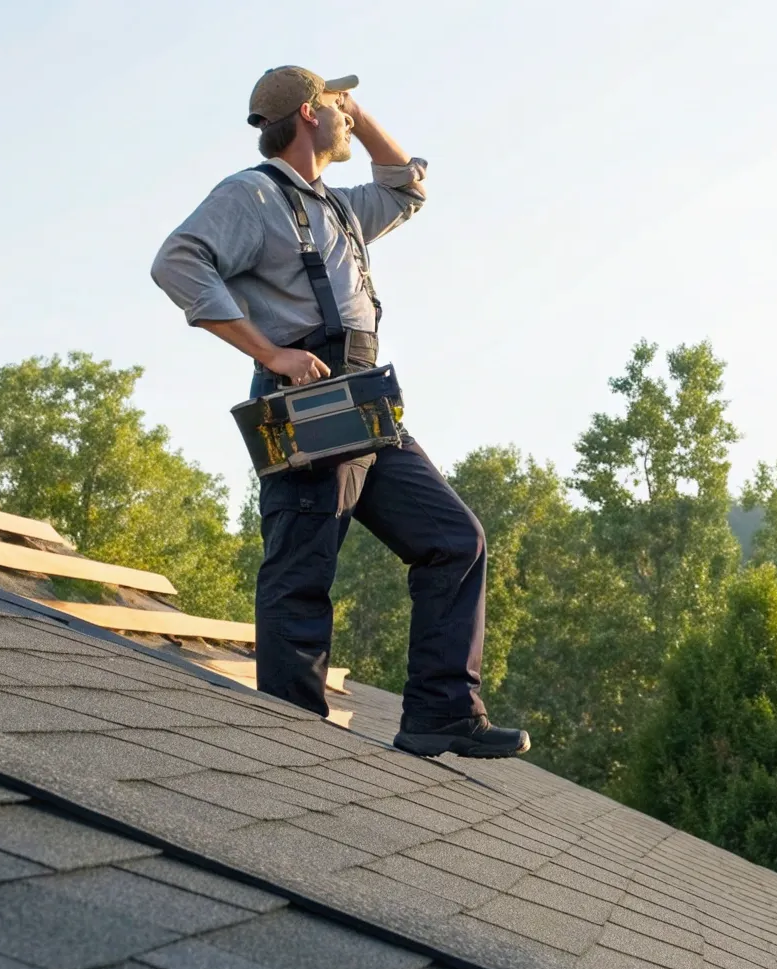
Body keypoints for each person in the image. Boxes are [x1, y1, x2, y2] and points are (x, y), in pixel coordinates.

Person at [151, 66, 527, 758]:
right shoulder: (250, 195)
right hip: (306, 395)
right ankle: (292, 742)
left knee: (456, 540)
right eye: (335, 107)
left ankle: (441, 713)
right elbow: (177, 262)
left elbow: (405, 185)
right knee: (302, 567)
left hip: (364, 399)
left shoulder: (339, 207)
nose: (349, 118)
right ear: (304, 115)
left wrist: (353, 105)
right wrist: (270, 352)